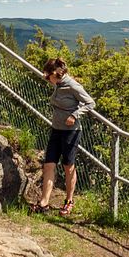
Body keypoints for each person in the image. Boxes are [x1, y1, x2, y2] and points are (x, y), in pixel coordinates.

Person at [31, 58, 95, 216]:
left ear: (55, 74)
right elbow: (47, 77)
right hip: (56, 129)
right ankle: (44, 202)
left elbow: (90, 103)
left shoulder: (72, 86)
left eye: (48, 75)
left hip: (70, 132)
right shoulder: (57, 83)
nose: (47, 78)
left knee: (68, 166)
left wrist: (75, 115)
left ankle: (69, 201)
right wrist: (46, 76)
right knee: (49, 165)